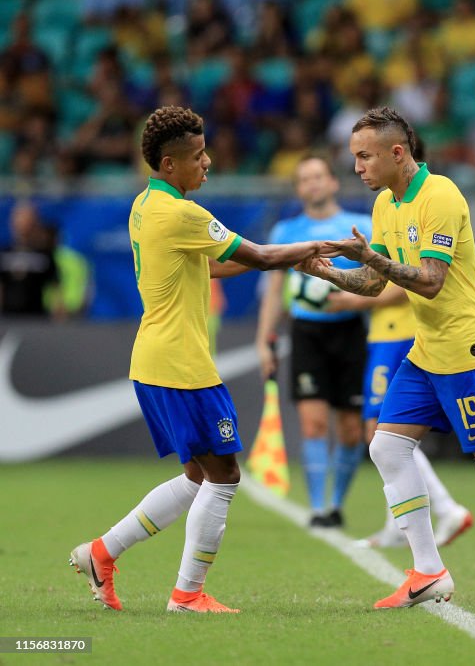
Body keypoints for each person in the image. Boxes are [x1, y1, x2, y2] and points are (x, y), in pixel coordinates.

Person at [69, 106, 334, 613]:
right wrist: (314, 248)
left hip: (153, 362)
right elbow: (256, 255)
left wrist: (290, 255)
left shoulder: (145, 205)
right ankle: (187, 594)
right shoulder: (182, 213)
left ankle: (101, 553)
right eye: (197, 156)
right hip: (181, 365)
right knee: (225, 476)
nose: (208, 162)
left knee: (198, 476)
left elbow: (210, 265)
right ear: (169, 164)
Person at [299, 106, 475, 611]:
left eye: (365, 157)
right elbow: (375, 283)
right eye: (354, 158)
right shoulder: (384, 205)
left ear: (399, 153)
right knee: (387, 447)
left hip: (469, 349)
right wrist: (328, 272)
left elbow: (431, 281)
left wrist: (373, 259)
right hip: (428, 350)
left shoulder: (440, 195)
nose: (357, 168)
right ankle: (427, 571)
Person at [255, 154, 372, 528]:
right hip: (306, 333)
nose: (314, 184)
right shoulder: (286, 232)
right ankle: (320, 508)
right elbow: (273, 293)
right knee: (313, 424)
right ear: (298, 188)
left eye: (319, 176)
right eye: (305, 179)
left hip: (350, 331)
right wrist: (263, 342)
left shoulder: (360, 227)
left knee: (352, 428)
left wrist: (354, 298)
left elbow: (379, 278)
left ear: (333, 182)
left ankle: (338, 502)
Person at [324, 282, 475, 549]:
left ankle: (446, 509)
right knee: (389, 436)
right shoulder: (383, 241)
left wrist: (355, 301)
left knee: (383, 432)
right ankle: (398, 526)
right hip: (389, 334)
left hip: (398, 336)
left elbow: (411, 281)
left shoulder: (406, 241)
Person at [0, 201, 61, 317]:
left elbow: (55, 288)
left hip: (36, 318)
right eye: (20, 219)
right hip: (7, 317)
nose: (23, 224)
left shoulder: (45, 255)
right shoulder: (4, 253)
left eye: (28, 220)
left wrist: (58, 314)